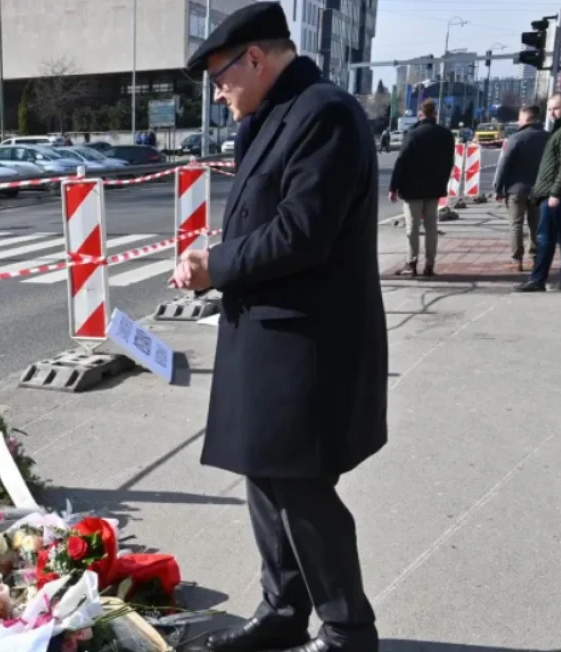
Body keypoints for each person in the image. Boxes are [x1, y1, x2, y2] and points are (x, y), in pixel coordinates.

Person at [171, 4, 385, 652]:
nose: (216, 91)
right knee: (264, 479)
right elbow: (269, 220)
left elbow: (302, 233)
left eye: (219, 76)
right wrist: (220, 253)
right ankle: (283, 609)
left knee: (301, 491)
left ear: (255, 59)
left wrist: (216, 265)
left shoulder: (322, 114)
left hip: (306, 343)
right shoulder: (273, 117)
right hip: (268, 337)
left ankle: (347, 631)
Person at [515, 92, 561, 293]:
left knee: (545, 236)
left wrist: (555, 193)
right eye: (549, 109)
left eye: (555, 108)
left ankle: (538, 279)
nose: (551, 113)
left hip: (558, 192)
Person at [388, 99, 455, 277]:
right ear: (435, 114)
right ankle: (430, 265)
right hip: (434, 189)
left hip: (412, 189)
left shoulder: (413, 134)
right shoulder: (446, 135)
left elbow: (401, 161)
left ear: (420, 114)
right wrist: (442, 183)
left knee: (412, 227)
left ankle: (411, 263)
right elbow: (449, 163)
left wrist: (393, 187)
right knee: (431, 228)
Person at [492, 105, 549, 271]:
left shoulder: (515, 138)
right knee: (536, 225)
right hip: (539, 189)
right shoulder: (548, 137)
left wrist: (498, 188)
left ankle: (517, 260)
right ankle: (535, 258)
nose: (518, 121)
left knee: (516, 225)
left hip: (516, 189)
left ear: (527, 118)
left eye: (520, 118)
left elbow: (504, 164)